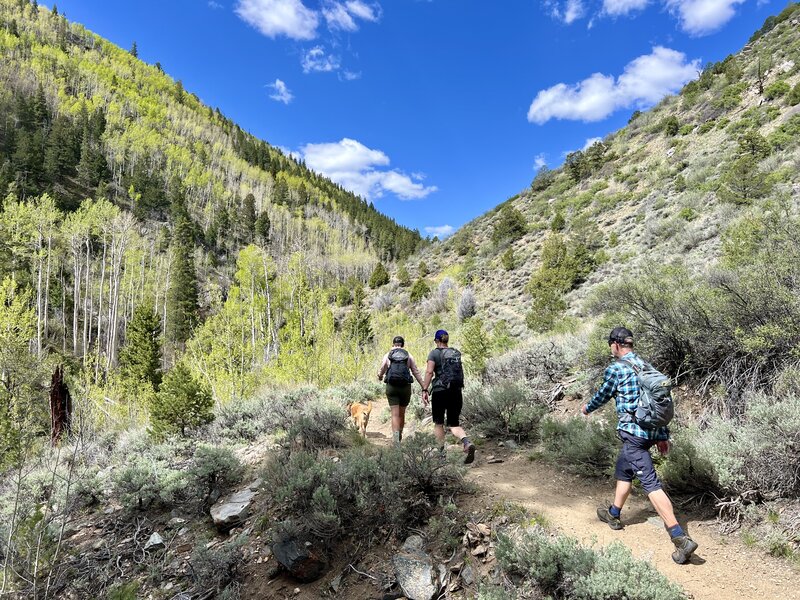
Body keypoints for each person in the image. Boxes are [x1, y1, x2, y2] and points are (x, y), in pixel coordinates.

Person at [581, 326, 698, 564]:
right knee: (624, 468)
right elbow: (661, 402)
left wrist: (586, 408)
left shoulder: (616, 369)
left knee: (650, 483)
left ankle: (680, 538)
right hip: (652, 431)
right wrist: (663, 435)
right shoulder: (646, 366)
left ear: (615, 345)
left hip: (634, 433)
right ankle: (613, 514)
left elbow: (603, 395)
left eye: (610, 346)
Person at [421, 330, 476, 464]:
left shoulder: (434, 353)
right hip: (456, 391)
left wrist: (424, 389)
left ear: (437, 341)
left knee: (438, 423)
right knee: (454, 424)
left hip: (440, 391)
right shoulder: (455, 353)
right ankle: (466, 442)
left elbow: (429, 372)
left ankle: (441, 455)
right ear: (447, 340)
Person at [377, 335, 426, 445]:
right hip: (405, 387)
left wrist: (380, 376)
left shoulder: (388, 355)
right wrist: (424, 386)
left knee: (394, 414)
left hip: (392, 387)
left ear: (393, 344)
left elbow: (382, 368)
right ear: (403, 345)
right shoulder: (408, 355)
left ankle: (396, 442)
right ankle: (400, 435)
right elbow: (415, 371)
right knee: (401, 414)